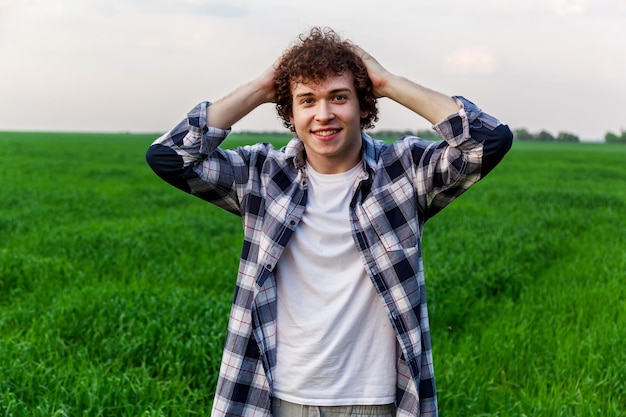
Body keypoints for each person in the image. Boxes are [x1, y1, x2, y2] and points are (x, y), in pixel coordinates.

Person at [146, 27, 513, 417]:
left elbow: (488, 140)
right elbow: (169, 157)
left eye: (339, 97)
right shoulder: (262, 175)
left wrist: (388, 82)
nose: (323, 114)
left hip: (375, 401)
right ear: (290, 112)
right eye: (307, 100)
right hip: (277, 397)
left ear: (363, 105)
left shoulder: (404, 172)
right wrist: (261, 86)